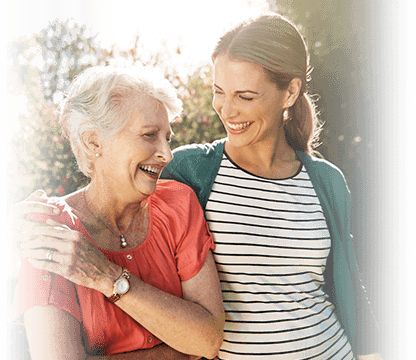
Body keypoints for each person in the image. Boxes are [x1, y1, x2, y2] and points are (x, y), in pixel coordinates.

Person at [10, 13, 381, 360]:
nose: (227, 110)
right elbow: (112, 177)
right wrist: (36, 221)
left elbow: (348, 284)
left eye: (245, 96)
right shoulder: (192, 170)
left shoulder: (326, 181)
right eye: (220, 91)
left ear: (290, 93)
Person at [9, 65, 225, 360]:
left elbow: (207, 340)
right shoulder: (48, 226)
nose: (167, 153)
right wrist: (180, 351)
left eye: (167, 137)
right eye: (150, 135)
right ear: (93, 142)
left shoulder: (178, 204)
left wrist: (108, 277)